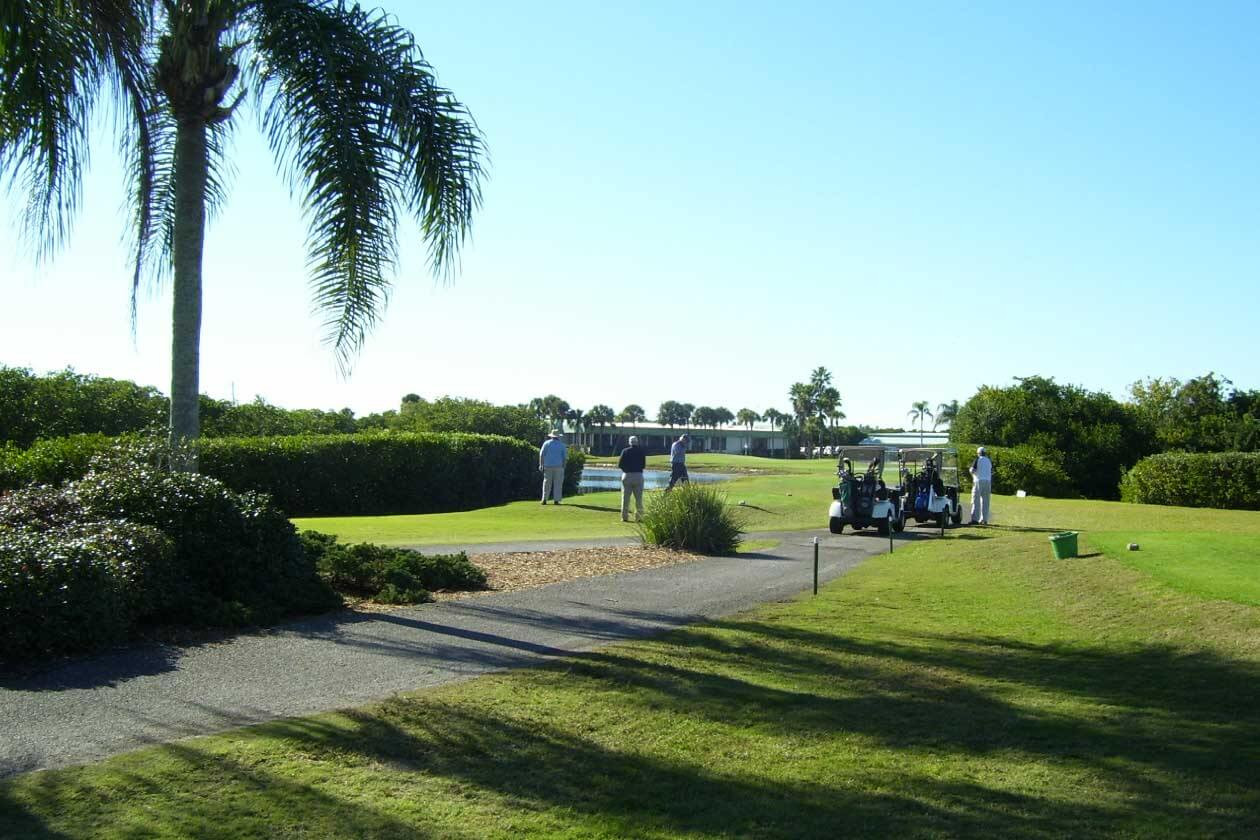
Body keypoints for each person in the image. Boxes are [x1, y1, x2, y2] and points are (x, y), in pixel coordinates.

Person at [617, 435, 646, 522]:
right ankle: (639, 517)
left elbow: (620, 465)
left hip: (627, 475)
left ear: (630, 442)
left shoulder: (625, 451)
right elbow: (643, 465)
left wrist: (626, 470)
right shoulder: (641, 451)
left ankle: (624, 517)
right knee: (639, 499)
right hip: (638, 475)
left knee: (625, 498)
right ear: (637, 442)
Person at [539, 429, 567, 505]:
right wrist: (564, 467)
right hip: (558, 466)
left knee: (546, 483)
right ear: (558, 437)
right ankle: (556, 500)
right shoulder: (562, 445)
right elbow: (564, 458)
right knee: (558, 484)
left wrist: (541, 464)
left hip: (547, 466)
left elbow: (541, 455)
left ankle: (544, 499)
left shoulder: (546, 443)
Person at [969, 446, 994, 525]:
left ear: (978, 453)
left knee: (976, 500)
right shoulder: (989, 460)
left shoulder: (977, 459)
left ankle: (975, 519)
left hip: (978, 480)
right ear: (985, 453)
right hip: (988, 481)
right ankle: (984, 519)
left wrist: (971, 472)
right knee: (985, 501)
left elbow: (972, 470)